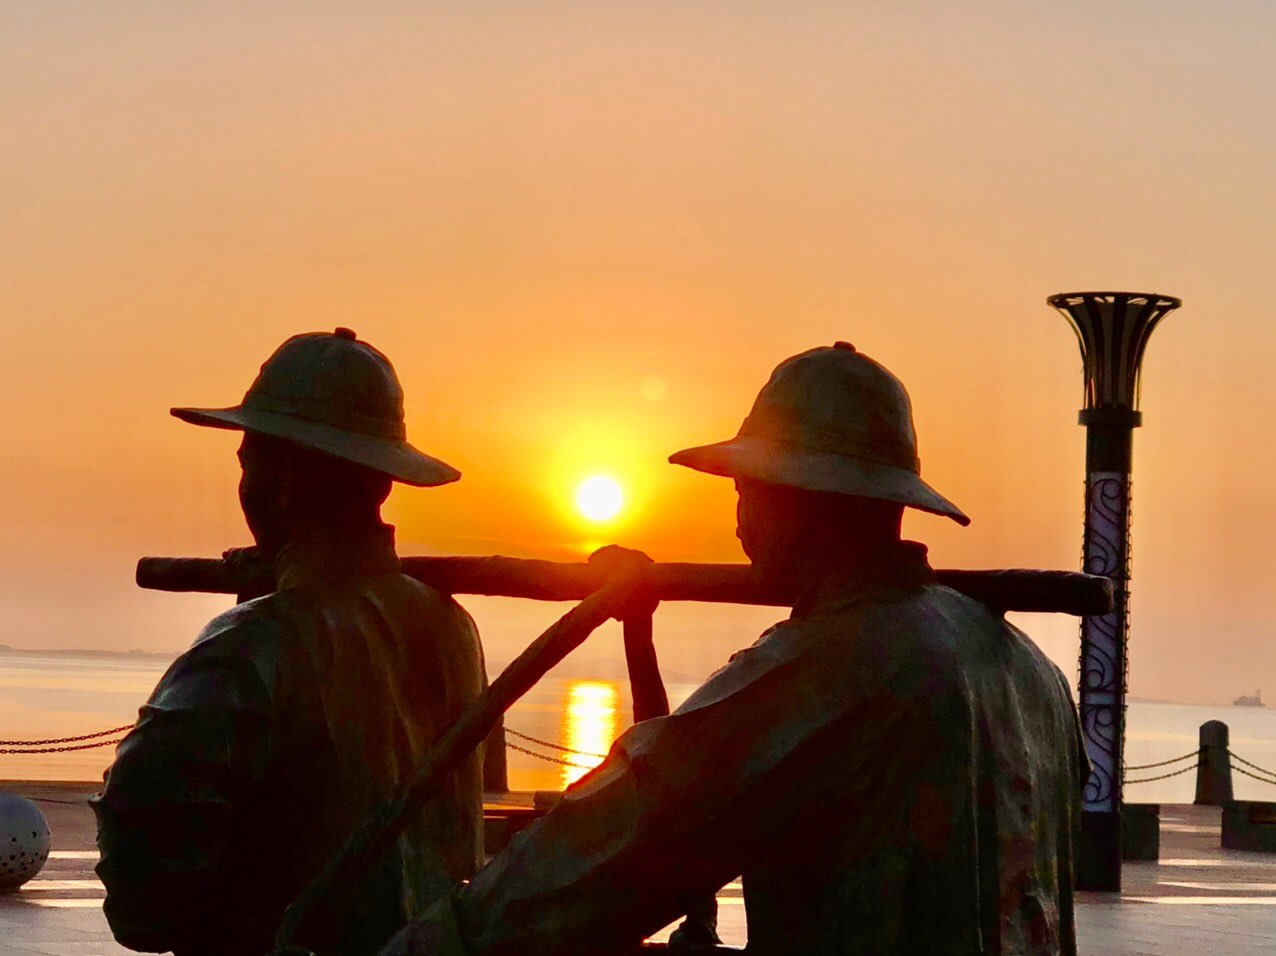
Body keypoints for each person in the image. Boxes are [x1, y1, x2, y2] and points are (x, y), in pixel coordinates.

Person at [380, 342, 1086, 956]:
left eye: (748, 492)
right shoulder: (1034, 673)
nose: (740, 524)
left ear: (799, 501)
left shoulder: (829, 666)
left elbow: (624, 835)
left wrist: (439, 941)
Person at [93, 329, 488, 956]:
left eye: (247, 463)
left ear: (282, 481)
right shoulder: (452, 628)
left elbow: (143, 897)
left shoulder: (251, 644)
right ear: (383, 482)